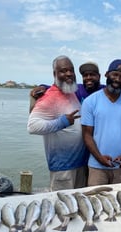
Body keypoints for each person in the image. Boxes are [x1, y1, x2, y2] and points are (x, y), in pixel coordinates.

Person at [27, 55, 88, 191]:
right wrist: (63, 122)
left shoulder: (70, 91)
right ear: (55, 74)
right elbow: (32, 126)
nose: (69, 74)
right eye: (63, 71)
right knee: (63, 207)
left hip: (79, 164)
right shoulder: (50, 97)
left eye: (71, 70)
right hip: (63, 168)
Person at [81, 59, 121, 186]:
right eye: (115, 75)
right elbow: (87, 135)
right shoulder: (90, 102)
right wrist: (99, 158)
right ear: (107, 74)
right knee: (96, 202)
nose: (117, 79)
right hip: (96, 167)